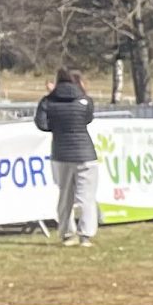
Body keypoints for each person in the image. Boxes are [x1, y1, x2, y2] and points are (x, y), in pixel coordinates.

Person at [35, 67, 98, 245]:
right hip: (85, 152)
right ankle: (86, 235)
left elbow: (41, 124)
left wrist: (57, 126)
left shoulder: (48, 101)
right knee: (86, 197)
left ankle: (68, 233)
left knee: (65, 196)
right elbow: (88, 118)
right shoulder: (84, 100)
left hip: (61, 152)